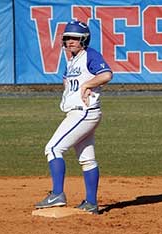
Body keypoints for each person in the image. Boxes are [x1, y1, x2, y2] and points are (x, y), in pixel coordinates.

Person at [35, 20, 113, 214]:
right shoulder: (72, 60)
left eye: (75, 38)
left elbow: (107, 75)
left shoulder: (90, 55)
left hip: (84, 112)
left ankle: (57, 194)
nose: (70, 41)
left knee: (53, 148)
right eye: (67, 38)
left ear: (84, 40)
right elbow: (67, 80)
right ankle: (91, 203)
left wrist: (87, 85)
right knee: (87, 159)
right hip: (79, 112)